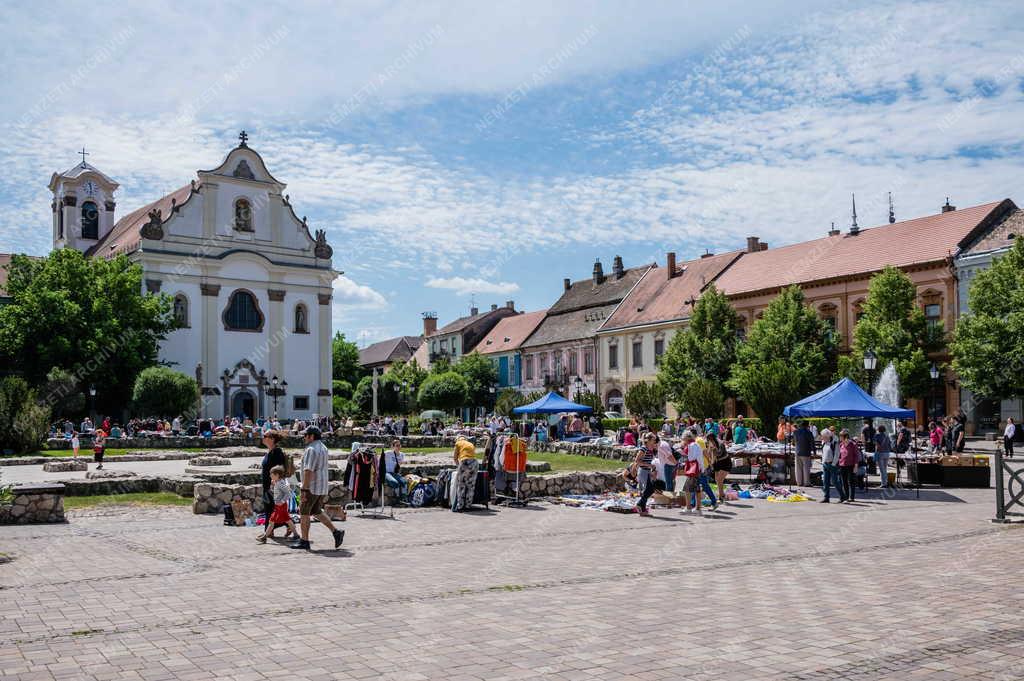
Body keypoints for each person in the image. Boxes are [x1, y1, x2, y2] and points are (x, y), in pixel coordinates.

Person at [291, 426, 344, 551]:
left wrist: (304, 489)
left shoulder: (311, 449)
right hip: (321, 486)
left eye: (306, 435)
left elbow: (308, 470)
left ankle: (304, 541)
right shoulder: (323, 448)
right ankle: (336, 532)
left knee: (303, 512)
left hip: (311, 487)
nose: (304, 437)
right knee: (316, 510)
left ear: (311, 436)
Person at [257, 465, 297, 543]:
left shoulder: (280, 483)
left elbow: (288, 493)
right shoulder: (278, 482)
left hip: (280, 506)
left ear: (277, 475)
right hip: (279, 506)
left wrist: (282, 501)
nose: (270, 476)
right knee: (286, 520)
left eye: (271, 475)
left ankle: (264, 537)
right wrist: (274, 485)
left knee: (273, 521)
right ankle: (296, 535)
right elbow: (277, 491)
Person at [260, 431, 288, 522]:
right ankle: (288, 526)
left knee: (271, 510)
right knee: (270, 509)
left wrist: (275, 483)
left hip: (273, 487)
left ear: (272, 439)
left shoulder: (277, 452)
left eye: (265, 436)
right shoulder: (270, 452)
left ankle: (268, 532)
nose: (263, 437)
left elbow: (280, 470)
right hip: (267, 486)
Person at [632, 433, 660, 516]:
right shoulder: (643, 449)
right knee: (649, 490)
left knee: (649, 490)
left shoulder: (650, 448)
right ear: (649, 440)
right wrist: (650, 465)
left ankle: (642, 509)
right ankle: (640, 505)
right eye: (653, 439)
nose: (655, 441)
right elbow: (637, 461)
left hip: (648, 471)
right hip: (644, 471)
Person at [450, 436, 479, 512]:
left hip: (464, 462)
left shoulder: (458, 443)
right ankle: (468, 505)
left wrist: (458, 467)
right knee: (470, 485)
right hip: (474, 463)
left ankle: (460, 506)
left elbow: (455, 458)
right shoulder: (470, 444)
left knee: (461, 485)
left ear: (458, 439)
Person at [818, 428, 845, 502]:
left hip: (832, 465)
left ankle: (842, 496)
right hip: (825, 464)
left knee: (835, 482)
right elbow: (824, 454)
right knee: (825, 482)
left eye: (823, 436)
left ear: (828, 436)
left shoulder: (835, 443)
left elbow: (837, 454)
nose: (822, 437)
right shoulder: (823, 442)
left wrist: (833, 464)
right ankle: (826, 497)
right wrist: (823, 463)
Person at [680, 431, 704, 515]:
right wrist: (702, 468)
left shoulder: (690, 446)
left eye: (684, 439)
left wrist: (682, 452)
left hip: (692, 469)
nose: (683, 441)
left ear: (687, 438)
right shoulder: (697, 445)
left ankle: (688, 507)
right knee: (697, 489)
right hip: (697, 469)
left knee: (687, 489)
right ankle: (698, 508)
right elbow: (699, 458)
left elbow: (688, 457)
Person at [838, 429, 861, 503]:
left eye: (840, 436)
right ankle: (846, 497)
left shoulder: (852, 444)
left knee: (851, 481)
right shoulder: (841, 444)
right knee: (844, 482)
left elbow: (856, 456)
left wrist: (856, 465)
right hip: (842, 465)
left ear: (845, 437)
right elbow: (839, 455)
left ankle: (852, 497)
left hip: (851, 465)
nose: (840, 437)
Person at [383, 438, 408, 504]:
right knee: (394, 483)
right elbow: (379, 459)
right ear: (393, 447)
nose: (399, 447)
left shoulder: (402, 455)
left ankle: (403, 498)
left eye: (399, 445)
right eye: (397, 445)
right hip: (387, 472)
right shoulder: (388, 453)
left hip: (394, 473)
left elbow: (399, 464)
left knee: (404, 482)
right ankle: (397, 499)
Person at [711, 430, 732, 503]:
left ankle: (721, 497)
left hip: (725, 462)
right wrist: (712, 462)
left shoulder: (720, 444)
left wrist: (714, 450)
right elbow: (712, 455)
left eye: (710, 440)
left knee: (720, 480)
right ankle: (722, 495)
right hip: (717, 463)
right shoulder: (711, 443)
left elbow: (719, 454)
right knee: (717, 480)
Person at [793, 421, 814, 487]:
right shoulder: (809, 432)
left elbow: (794, 442)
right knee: (806, 468)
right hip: (806, 452)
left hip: (797, 451)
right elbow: (812, 443)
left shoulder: (795, 432)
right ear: (807, 425)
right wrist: (814, 452)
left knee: (798, 468)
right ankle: (806, 483)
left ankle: (799, 482)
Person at [874, 425, 893, 489]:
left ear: (878, 429)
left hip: (881, 453)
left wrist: (876, 452)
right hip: (887, 453)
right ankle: (884, 482)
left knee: (882, 470)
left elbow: (877, 445)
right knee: (884, 469)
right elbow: (890, 444)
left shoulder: (877, 435)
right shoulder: (887, 436)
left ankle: (884, 483)